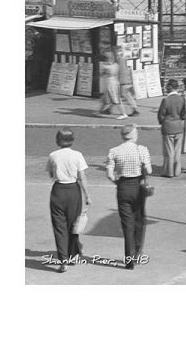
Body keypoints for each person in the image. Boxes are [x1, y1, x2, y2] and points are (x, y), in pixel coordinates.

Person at [106, 124, 152, 269]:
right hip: (138, 186)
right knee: (139, 219)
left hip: (123, 186)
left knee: (127, 223)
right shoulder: (142, 150)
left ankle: (129, 258)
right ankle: (137, 252)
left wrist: (117, 182)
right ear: (133, 135)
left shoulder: (114, 151)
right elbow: (149, 170)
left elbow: (109, 173)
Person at [46, 128, 91, 273]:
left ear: (58, 140)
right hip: (73, 190)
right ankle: (73, 254)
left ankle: (63, 259)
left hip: (58, 190)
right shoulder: (77, 155)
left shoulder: (53, 155)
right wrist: (87, 195)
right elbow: (82, 176)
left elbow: (51, 174)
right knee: (73, 224)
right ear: (72, 140)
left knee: (59, 227)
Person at [157, 79, 186, 177]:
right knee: (177, 151)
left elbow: (161, 114)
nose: (165, 88)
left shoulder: (166, 100)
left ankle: (168, 171)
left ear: (170, 87)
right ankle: (177, 170)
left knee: (169, 151)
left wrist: (163, 122)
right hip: (178, 126)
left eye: (167, 86)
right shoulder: (182, 99)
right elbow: (183, 113)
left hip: (168, 127)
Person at [99, 51, 128, 120]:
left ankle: (124, 114)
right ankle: (104, 110)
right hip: (111, 82)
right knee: (108, 98)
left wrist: (104, 70)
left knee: (116, 100)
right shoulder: (115, 65)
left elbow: (103, 74)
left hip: (112, 83)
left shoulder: (108, 66)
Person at [116, 46, 139, 117]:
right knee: (126, 95)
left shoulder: (119, 59)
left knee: (125, 95)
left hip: (123, 81)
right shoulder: (123, 58)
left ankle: (134, 109)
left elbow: (121, 71)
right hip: (126, 80)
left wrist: (120, 81)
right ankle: (134, 108)